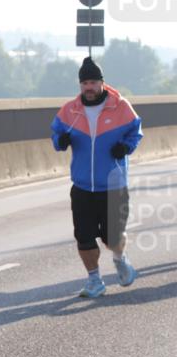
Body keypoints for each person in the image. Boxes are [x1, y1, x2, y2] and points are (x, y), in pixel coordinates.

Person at [51, 57, 141, 298]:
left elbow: (136, 132)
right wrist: (61, 141)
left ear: (102, 83)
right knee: (84, 236)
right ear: (80, 85)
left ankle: (120, 259)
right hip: (82, 185)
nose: (88, 87)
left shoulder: (120, 106)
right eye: (84, 83)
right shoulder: (70, 110)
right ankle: (94, 280)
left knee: (112, 237)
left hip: (113, 185)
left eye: (92, 82)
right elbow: (56, 134)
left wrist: (126, 146)